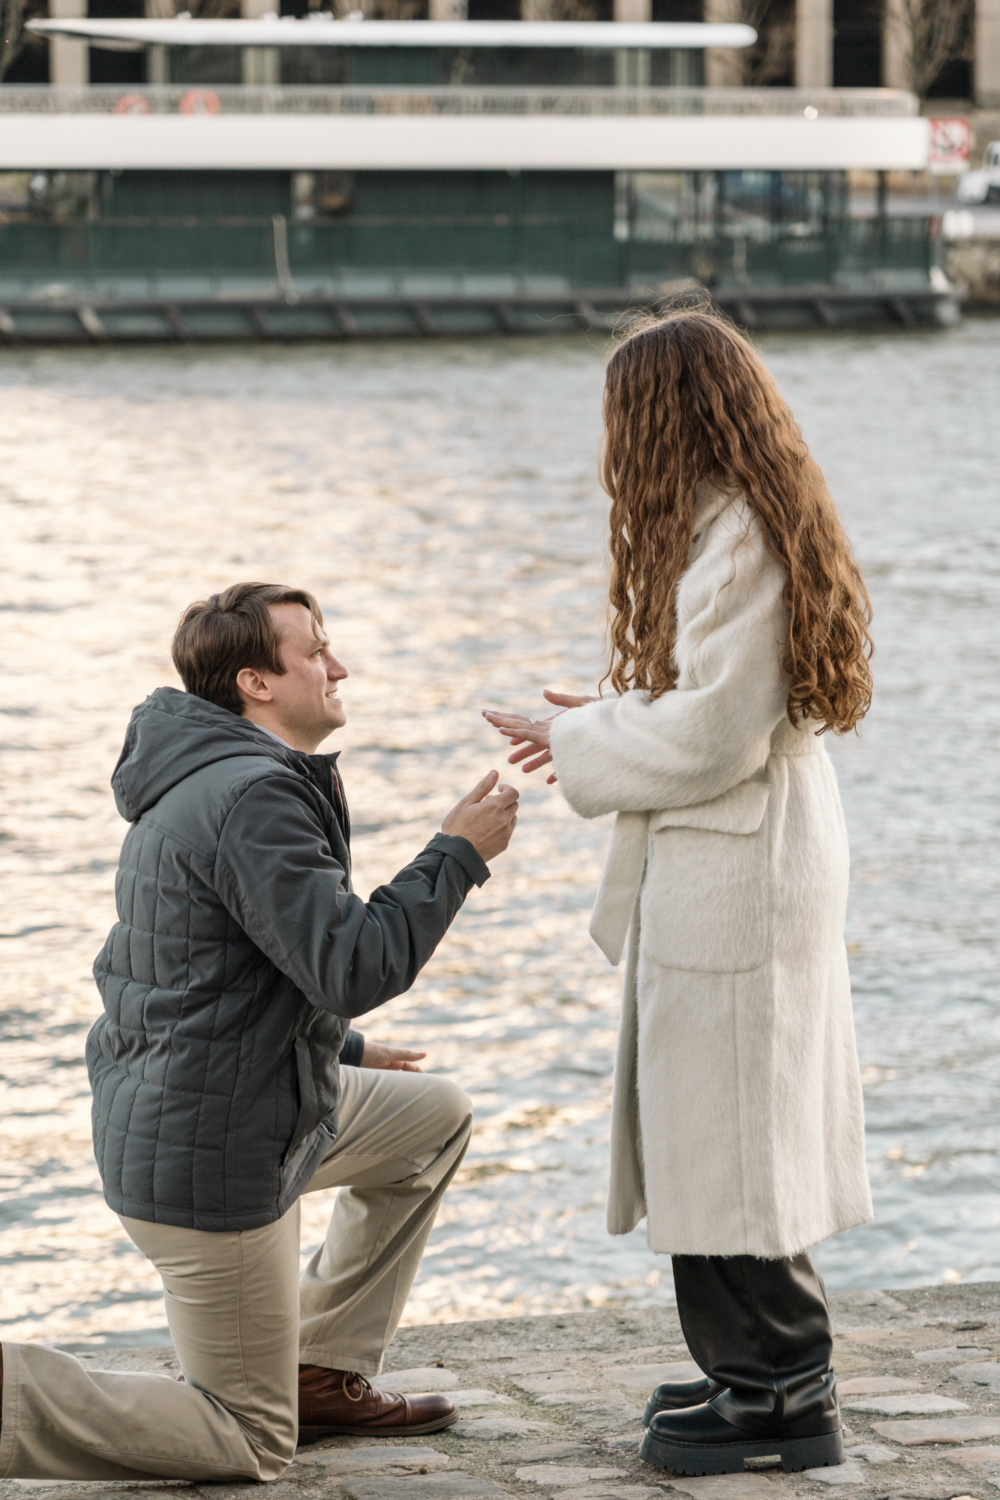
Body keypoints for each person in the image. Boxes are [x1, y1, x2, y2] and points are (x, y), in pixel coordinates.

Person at [0, 582, 518, 1482]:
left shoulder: (220, 777)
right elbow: (353, 967)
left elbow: (210, 974)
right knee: (245, 1439)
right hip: (214, 1152)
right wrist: (456, 855)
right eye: (316, 650)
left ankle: (319, 1368)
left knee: (431, 1120)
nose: (339, 664)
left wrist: (341, 1049)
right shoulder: (250, 796)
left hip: (236, 1104)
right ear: (256, 682)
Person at [484, 309, 874, 1478]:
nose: (612, 441)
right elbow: (713, 709)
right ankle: (747, 1373)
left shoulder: (740, 539)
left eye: (622, 417)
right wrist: (595, 721)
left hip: (737, 865)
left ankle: (781, 1394)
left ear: (664, 418)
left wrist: (583, 731)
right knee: (717, 1115)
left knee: (733, 1127)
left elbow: (712, 734)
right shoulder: (741, 524)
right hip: (740, 854)